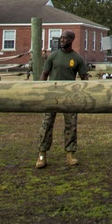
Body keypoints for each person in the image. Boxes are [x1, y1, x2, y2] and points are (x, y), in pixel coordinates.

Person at [36, 30, 88, 169]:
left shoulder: (77, 58)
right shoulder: (53, 56)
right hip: (52, 96)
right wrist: (42, 90)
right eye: (61, 38)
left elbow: (84, 78)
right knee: (46, 124)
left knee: (71, 125)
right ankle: (42, 154)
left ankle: (70, 154)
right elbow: (44, 73)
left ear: (72, 40)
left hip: (69, 97)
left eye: (65, 38)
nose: (62, 40)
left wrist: (82, 93)